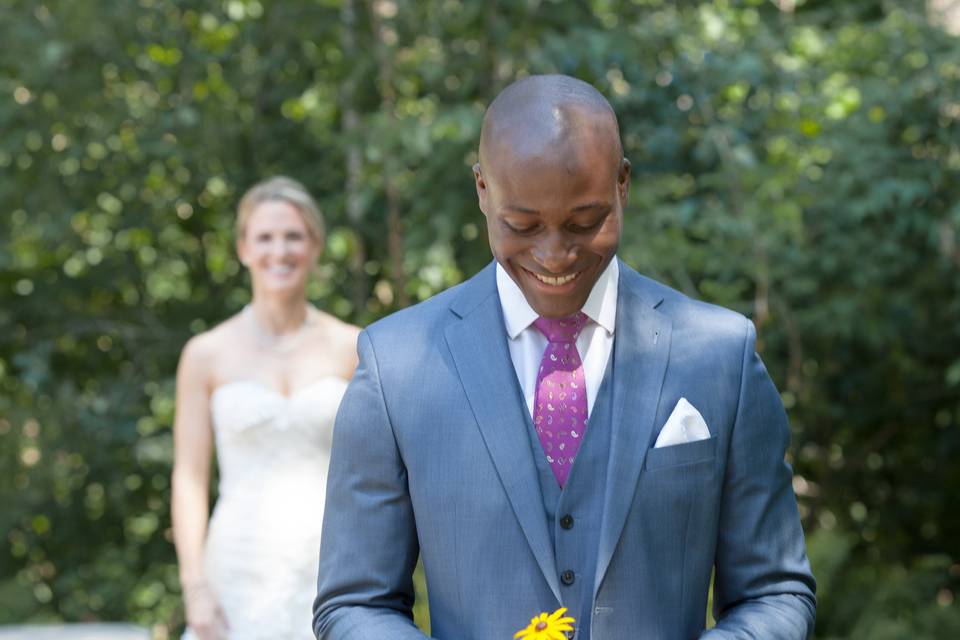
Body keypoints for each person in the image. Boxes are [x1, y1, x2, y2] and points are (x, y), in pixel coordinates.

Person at [313, 75, 816, 639]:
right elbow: (355, 605)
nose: (555, 256)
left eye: (584, 222)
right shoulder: (396, 364)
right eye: (521, 225)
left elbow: (774, 592)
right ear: (482, 190)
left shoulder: (720, 354)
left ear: (623, 184)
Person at [172, 176, 359, 640]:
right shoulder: (205, 354)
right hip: (236, 572)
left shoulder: (352, 347)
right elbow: (189, 477)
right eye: (265, 237)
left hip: (328, 568)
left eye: (293, 236)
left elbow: (375, 473)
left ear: (315, 246)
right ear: (243, 249)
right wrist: (194, 587)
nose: (280, 251)